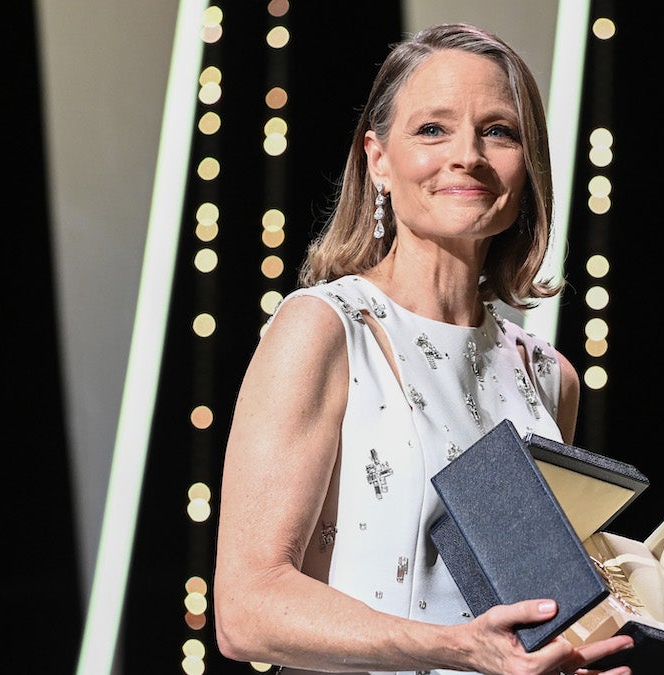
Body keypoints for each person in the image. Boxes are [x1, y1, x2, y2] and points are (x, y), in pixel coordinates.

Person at [213, 23, 633, 675]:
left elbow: (525, 613)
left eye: (499, 131)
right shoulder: (325, 328)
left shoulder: (550, 376)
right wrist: (457, 648)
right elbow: (246, 610)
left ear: (528, 166)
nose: (467, 155)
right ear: (378, 159)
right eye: (433, 129)